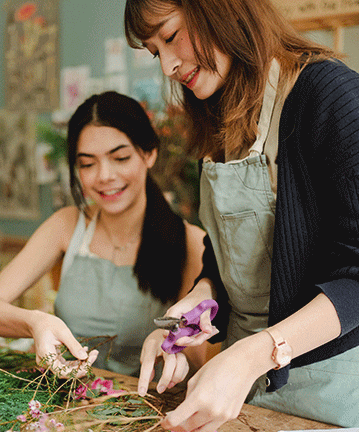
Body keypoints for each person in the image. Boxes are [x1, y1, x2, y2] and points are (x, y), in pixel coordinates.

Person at [124, 0, 359, 429]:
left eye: (171, 36)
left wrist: (255, 354)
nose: (168, 66)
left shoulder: (329, 94)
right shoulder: (218, 112)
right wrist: (197, 304)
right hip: (245, 389)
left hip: (333, 392)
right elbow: (226, 256)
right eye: (156, 52)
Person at [0, 91, 207, 379]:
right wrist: (34, 322)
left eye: (120, 158)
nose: (104, 176)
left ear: (149, 153)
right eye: (88, 164)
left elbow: (197, 361)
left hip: (147, 400)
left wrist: (173, 345)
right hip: (68, 395)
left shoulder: (190, 241)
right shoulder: (66, 225)